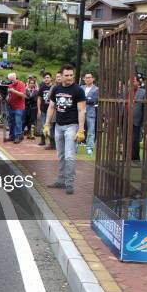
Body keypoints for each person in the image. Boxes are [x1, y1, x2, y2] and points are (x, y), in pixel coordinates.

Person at [44, 64, 86, 195]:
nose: (69, 78)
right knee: (60, 155)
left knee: (69, 155)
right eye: (66, 75)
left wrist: (81, 129)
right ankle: (61, 180)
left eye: (71, 75)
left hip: (72, 126)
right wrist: (47, 124)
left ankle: (69, 182)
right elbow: (51, 107)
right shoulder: (56, 89)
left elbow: (81, 110)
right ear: (61, 76)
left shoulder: (78, 90)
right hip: (58, 126)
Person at [81, 72, 98, 155]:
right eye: (86, 77)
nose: (87, 79)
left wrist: (83, 99)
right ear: (84, 79)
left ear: (93, 79)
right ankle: (76, 146)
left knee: (91, 131)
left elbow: (93, 100)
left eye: (89, 77)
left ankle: (89, 148)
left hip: (90, 113)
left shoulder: (96, 89)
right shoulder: (81, 88)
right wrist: (87, 99)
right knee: (79, 129)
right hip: (80, 112)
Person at [6, 72, 26, 144]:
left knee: (18, 122)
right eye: (10, 80)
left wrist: (13, 91)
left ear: (15, 78)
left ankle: (18, 136)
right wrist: (6, 95)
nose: (11, 81)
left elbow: (23, 95)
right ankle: (12, 136)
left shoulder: (21, 84)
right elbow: (8, 96)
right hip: (11, 106)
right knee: (11, 122)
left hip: (19, 107)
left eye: (12, 80)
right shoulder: (10, 85)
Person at [131, 74, 146, 161]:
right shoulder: (126, 91)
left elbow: (144, 108)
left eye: (133, 81)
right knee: (126, 140)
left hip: (136, 120)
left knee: (135, 141)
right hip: (125, 119)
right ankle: (127, 157)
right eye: (130, 81)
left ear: (138, 82)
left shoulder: (143, 92)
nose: (131, 82)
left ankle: (135, 159)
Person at [37, 72, 53, 147]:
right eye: (45, 78)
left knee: (51, 126)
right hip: (43, 110)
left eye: (47, 77)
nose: (46, 79)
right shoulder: (42, 87)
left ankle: (52, 142)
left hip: (52, 111)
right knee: (44, 125)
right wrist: (39, 109)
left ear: (51, 78)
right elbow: (39, 99)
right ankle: (43, 140)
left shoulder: (54, 87)